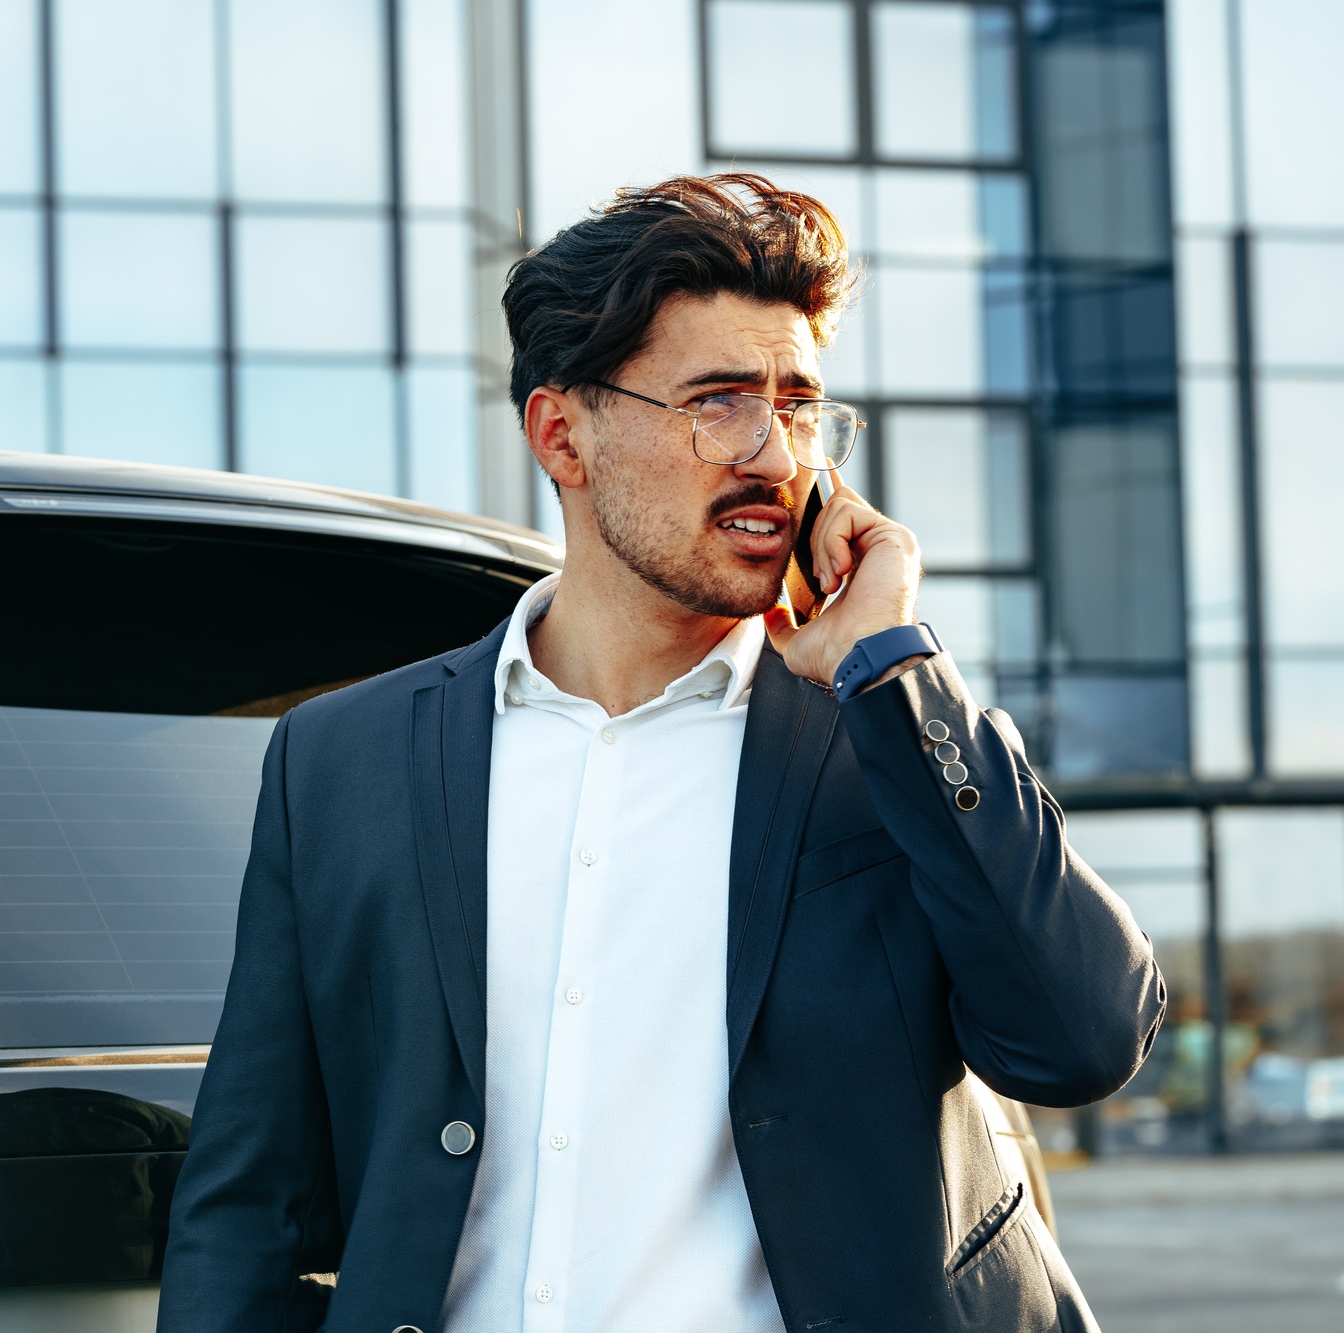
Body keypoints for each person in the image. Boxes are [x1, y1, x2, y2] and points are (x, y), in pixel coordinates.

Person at [158, 173, 1164, 1333]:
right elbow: (250, 1204)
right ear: (562, 434)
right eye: (721, 402)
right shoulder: (342, 760)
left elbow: (1082, 1039)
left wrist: (892, 669)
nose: (779, 459)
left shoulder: (881, 738)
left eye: (798, 407)